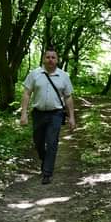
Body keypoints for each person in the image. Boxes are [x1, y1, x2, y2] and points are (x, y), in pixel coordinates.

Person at [20, 47, 76, 184]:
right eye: (48, 57)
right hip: (38, 113)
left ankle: (47, 173)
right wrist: (24, 114)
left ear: (57, 60)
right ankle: (45, 160)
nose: (50, 60)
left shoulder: (64, 76)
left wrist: (72, 117)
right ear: (44, 59)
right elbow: (27, 93)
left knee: (52, 143)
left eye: (53, 57)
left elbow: (68, 97)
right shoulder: (34, 74)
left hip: (55, 114)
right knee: (38, 142)